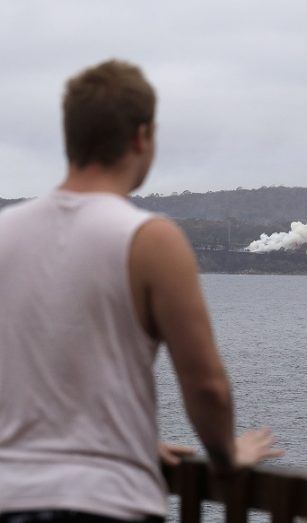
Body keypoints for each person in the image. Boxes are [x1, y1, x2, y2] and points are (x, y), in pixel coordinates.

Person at [0, 60, 283, 522]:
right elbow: (206, 385)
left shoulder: (5, 230)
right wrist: (227, 461)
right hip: (105, 503)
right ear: (141, 138)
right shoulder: (151, 239)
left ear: (70, 137)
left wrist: (122, 434)